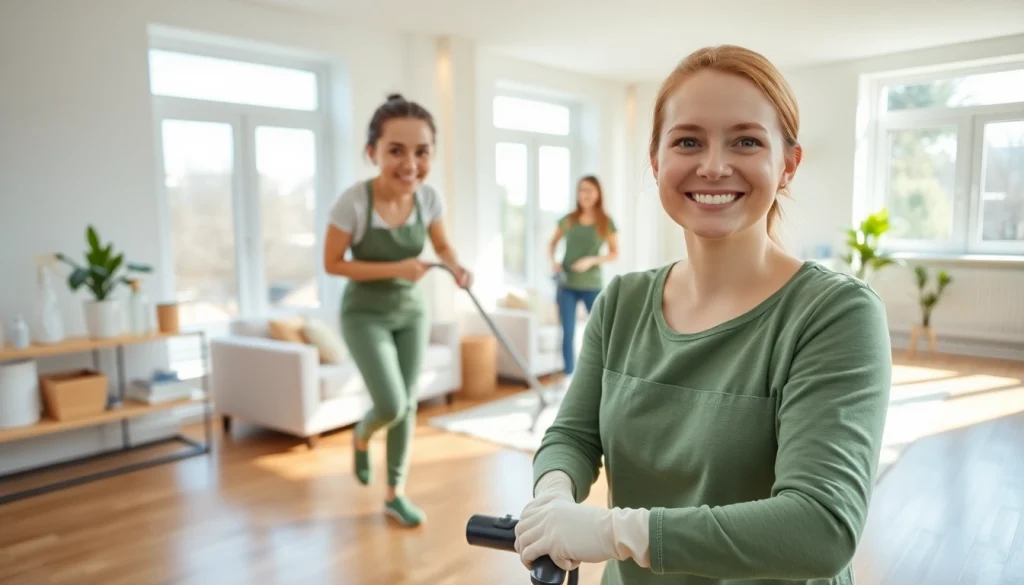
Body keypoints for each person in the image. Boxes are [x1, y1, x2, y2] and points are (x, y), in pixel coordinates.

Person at [513, 45, 892, 585]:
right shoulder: (621, 303)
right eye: (688, 141)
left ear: (788, 164)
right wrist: (553, 495)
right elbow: (572, 435)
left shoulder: (835, 314)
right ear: (656, 162)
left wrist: (615, 533)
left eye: (746, 141)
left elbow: (821, 527)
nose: (713, 166)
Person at [323, 93, 472, 528]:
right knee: (390, 404)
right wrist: (398, 268)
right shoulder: (353, 203)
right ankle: (362, 434)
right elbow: (333, 264)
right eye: (396, 151)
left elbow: (442, 245)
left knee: (407, 405)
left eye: (422, 152)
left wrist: (456, 264)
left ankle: (395, 494)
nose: (410, 164)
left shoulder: (428, 200)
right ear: (372, 152)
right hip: (364, 314)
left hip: (411, 312)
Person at [548, 175, 619, 384]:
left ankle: (604, 375)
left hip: (592, 285)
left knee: (601, 330)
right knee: (567, 332)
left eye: (589, 190)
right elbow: (552, 244)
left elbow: (614, 253)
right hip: (567, 284)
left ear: (598, 193)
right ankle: (569, 377)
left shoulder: (606, 222)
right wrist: (554, 261)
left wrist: (591, 260)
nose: (584, 195)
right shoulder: (568, 220)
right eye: (581, 190)